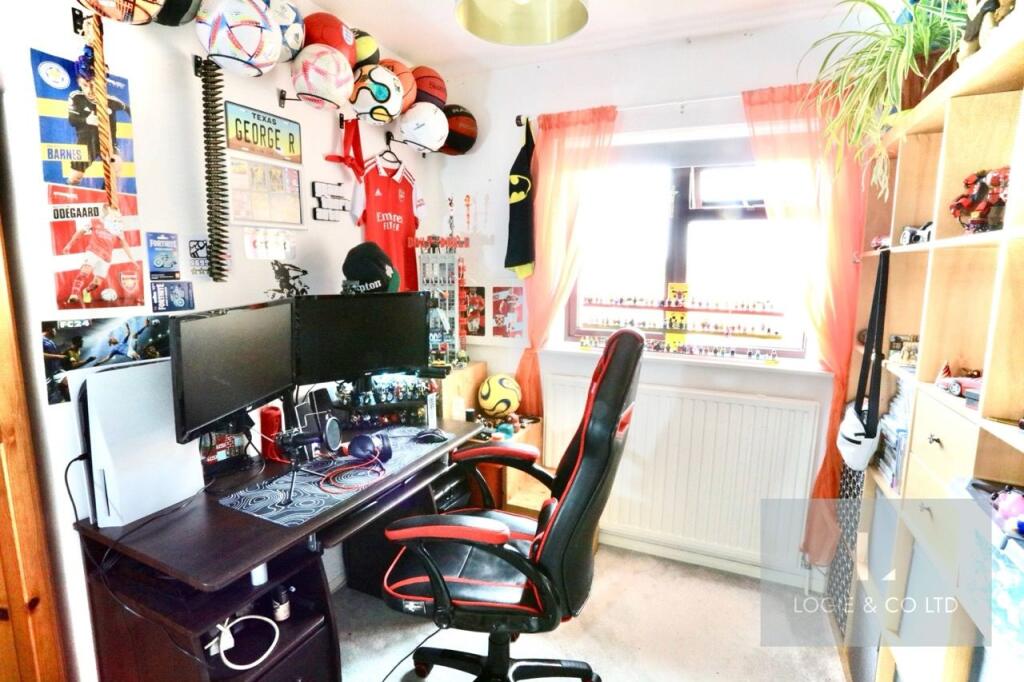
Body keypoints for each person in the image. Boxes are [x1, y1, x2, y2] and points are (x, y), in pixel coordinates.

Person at [66, 72, 130, 187]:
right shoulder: (76, 97)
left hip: (108, 143)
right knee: (75, 177)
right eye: (85, 85)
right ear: (79, 84)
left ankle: (104, 195)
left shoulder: (111, 101)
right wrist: (86, 120)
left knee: (116, 168)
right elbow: (72, 120)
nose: (90, 91)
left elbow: (127, 108)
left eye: (94, 86)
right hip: (86, 142)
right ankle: (69, 195)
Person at [62, 210, 138, 306]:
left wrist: (132, 259)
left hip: (106, 257)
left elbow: (124, 244)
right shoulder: (95, 221)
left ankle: (86, 291)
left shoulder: (117, 227)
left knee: (96, 283)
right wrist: (69, 245)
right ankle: (74, 295)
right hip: (93, 252)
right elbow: (80, 232)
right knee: (84, 272)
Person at [42, 324, 67, 404]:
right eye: (55, 329)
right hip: (47, 373)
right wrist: (58, 356)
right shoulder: (40, 339)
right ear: (50, 329)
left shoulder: (48, 340)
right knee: (49, 395)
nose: (56, 332)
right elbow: (38, 354)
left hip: (54, 371)